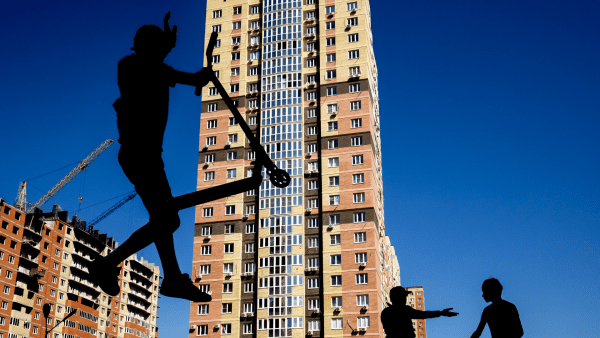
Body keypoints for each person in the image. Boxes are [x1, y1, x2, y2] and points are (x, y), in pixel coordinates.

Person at [88, 12, 212, 302]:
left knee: (165, 219)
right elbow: (156, 69)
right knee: (167, 219)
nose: (162, 51)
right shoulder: (131, 65)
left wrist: (199, 77)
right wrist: (171, 54)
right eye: (156, 45)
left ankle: (170, 279)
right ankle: (108, 264)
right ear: (145, 46)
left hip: (148, 157)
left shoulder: (156, 67)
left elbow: (181, 75)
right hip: (138, 154)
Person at [381, 286, 458, 338]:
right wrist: (440, 313)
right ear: (399, 297)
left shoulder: (385, 312)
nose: (406, 299)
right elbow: (422, 314)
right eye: (404, 296)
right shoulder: (404, 310)